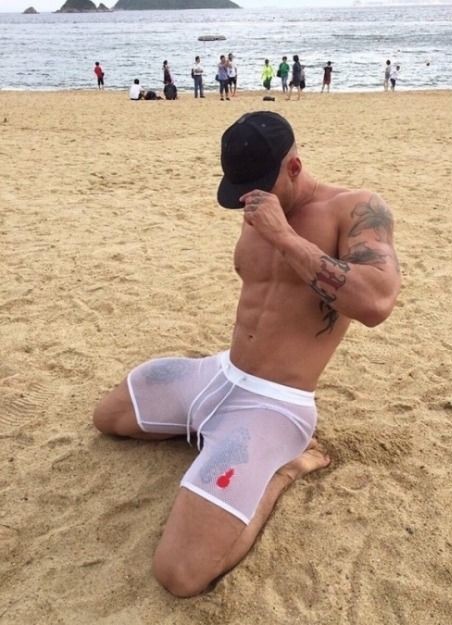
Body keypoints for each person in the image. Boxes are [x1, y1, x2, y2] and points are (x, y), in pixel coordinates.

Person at [93, 110, 401, 598]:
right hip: (222, 374)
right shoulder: (256, 203)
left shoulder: (356, 208)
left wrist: (284, 235)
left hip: (274, 404)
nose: (246, 200)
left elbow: (376, 303)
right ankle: (212, 437)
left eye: (258, 186)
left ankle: (285, 469)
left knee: (180, 575)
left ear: (294, 167)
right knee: (108, 417)